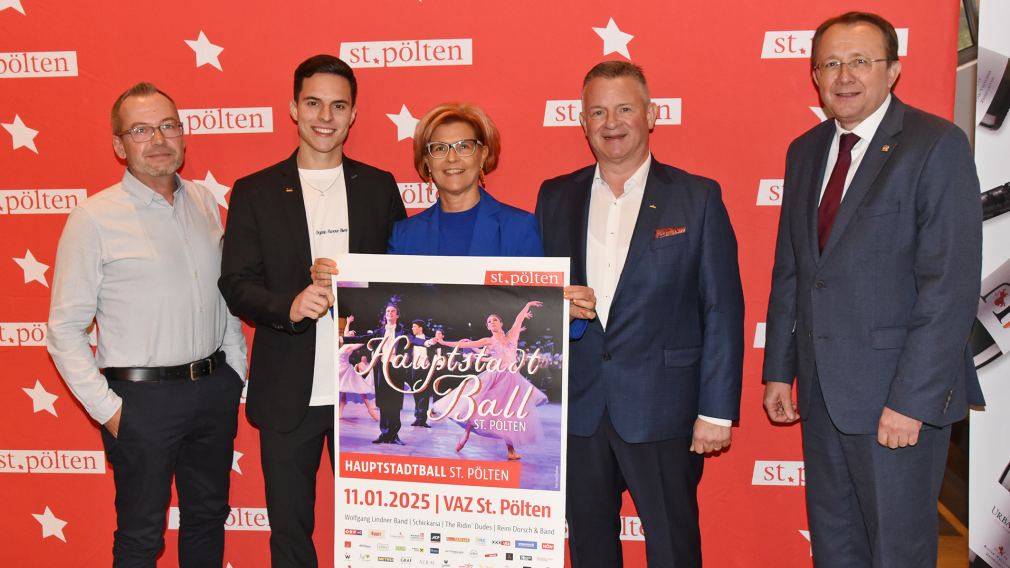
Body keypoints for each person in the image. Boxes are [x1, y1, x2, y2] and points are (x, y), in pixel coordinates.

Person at [762, 12, 984, 567]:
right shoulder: (805, 151)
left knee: (897, 554)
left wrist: (910, 402)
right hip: (821, 397)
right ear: (815, 76)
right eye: (830, 63)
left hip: (896, 402)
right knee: (836, 551)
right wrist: (778, 368)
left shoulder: (936, 145)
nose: (844, 76)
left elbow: (948, 287)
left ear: (894, 71)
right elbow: (792, 268)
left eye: (861, 60)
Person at [535, 61, 744, 567]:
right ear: (583, 123)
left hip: (664, 409)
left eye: (625, 108)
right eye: (598, 111)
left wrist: (715, 411)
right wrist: (552, 308)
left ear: (651, 115)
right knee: (589, 549)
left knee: (673, 548)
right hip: (579, 410)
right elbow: (533, 297)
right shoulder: (554, 196)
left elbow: (722, 308)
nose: (612, 122)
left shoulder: (697, 197)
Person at [47, 82, 248, 567]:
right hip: (139, 403)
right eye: (140, 130)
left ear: (183, 135)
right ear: (119, 145)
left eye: (168, 126)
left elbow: (219, 294)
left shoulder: (203, 201)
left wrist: (234, 370)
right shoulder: (93, 218)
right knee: (140, 537)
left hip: (212, 390)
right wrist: (110, 411)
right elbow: (63, 330)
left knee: (207, 518)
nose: (158, 139)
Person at [218, 55, 405, 568]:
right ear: (293, 109)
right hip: (287, 395)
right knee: (291, 538)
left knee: (376, 538)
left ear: (354, 115)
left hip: (362, 392)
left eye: (338, 105)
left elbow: (405, 284)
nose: (326, 116)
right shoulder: (254, 191)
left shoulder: (379, 186)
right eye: (314, 102)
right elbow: (235, 284)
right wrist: (290, 305)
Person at [431, 301, 549, 460]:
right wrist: (444, 342)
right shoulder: (488, 340)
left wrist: (528, 305)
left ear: (501, 323)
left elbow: (519, 319)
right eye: (488, 321)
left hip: (511, 379)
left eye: (494, 320)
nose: (491, 322)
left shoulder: (512, 335)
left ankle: (511, 450)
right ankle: (465, 436)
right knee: (477, 406)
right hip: (493, 378)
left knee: (509, 414)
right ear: (487, 327)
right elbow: (463, 344)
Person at [337, 316, 378, 421]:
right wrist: (348, 322)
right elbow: (346, 333)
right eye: (349, 333)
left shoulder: (351, 346)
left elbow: (361, 343)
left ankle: (370, 410)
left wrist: (369, 337)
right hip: (339, 369)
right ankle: (340, 412)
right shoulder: (346, 344)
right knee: (342, 392)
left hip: (345, 370)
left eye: (352, 334)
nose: (350, 333)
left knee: (360, 389)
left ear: (354, 338)